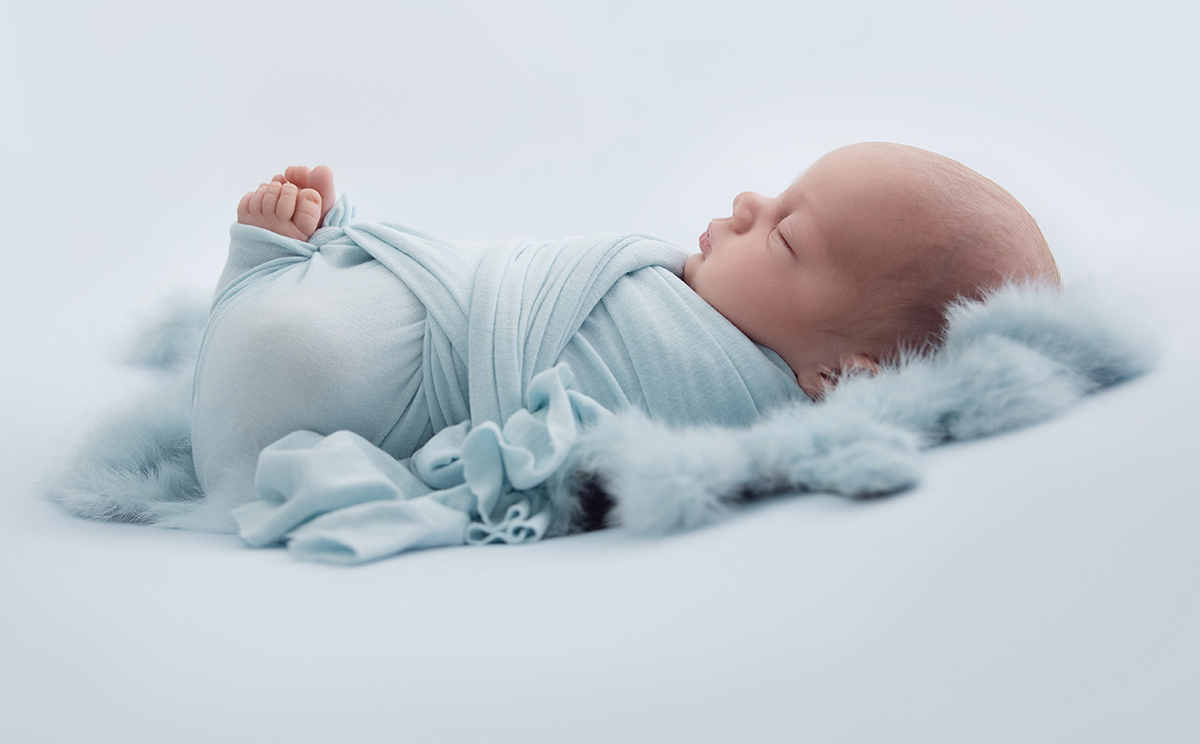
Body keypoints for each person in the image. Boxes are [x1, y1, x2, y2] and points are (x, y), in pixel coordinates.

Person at [193, 141, 1059, 529]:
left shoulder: (733, 399)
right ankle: (274, 288)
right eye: (777, 194)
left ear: (843, 375)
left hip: (326, 386)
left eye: (787, 236)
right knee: (343, 318)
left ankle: (266, 278)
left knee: (316, 338)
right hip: (352, 347)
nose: (749, 204)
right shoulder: (699, 305)